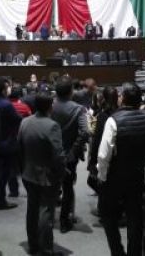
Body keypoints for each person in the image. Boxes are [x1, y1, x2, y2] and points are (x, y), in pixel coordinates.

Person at [97, 83, 145, 256]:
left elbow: (103, 156)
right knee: (135, 219)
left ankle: (118, 252)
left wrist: (102, 177)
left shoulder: (113, 120)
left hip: (115, 178)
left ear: (123, 98)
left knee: (109, 218)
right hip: (138, 176)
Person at [19, 93, 66, 256]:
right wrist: (62, 173)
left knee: (32, 210)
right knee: (46, 212)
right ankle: (46, 250)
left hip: (27, 172)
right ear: (49, 106)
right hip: (46, 175)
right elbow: (58, 155)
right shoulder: (52, 125)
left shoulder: (25, 122)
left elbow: (20, 148)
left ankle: (33, 245)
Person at [51, 75, 90, 232]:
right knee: (68, 187)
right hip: (69, 156)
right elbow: (85, 132)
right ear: (71, 92)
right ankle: (64, 220)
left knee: (52, 186)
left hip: (52, 154)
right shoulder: (78, 109)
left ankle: (48, 220)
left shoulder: (49, 106)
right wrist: (74, 150)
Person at [0, 77, 22, 209]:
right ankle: (0, 201)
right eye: (8, 87)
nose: (10, 89)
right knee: (3, 173)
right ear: (3, 90)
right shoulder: (6, 104)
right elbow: (17, 120)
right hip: (6, 142)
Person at [88, 86, 119, 213]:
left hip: (104, 152)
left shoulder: (102, 115)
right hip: (117, 154)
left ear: (104, 99)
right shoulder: (119, 113)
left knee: (102, 182)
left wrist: (92, 161)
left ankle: (104, 210)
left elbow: (97, 141)